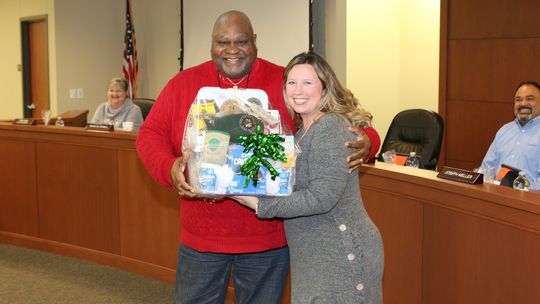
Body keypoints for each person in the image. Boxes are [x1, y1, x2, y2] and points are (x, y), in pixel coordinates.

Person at [136, 10, 380, 304]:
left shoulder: (285, 81)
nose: (232, 50)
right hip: (202, 237)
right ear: (211, 45)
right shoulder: (183, 84)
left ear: (255, 42)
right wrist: (169, 167)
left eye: (241, 41)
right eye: (222, 42)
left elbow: (339, 119)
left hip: (268, 238)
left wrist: (369, 141)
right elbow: (149, 136)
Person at [232, 51, 384, 303]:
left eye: (308, 82)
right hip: (315, 254)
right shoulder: (303, 131)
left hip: (341, 251)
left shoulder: (329, 127)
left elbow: (321, 197)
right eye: (292, 82)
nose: (298, 90)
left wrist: (260, 205)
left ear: (324, 88)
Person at [480, 80, 540, 190]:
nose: (523, 103)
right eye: (518, 100)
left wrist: (520, 188)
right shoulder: (504, 130)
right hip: (496, 195)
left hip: (530, 201)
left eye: (530, 99)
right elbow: (486, 168)